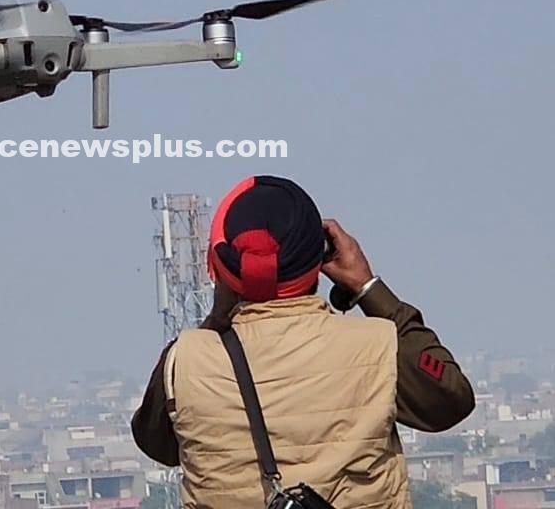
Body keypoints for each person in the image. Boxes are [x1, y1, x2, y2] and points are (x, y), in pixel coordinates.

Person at [132, 176, 475, 509]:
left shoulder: (185, 362)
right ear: (320, 256)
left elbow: (158, 445)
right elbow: (450, 401)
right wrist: (368, 288)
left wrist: (218, 316)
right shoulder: (377, 345)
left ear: (221, 267)